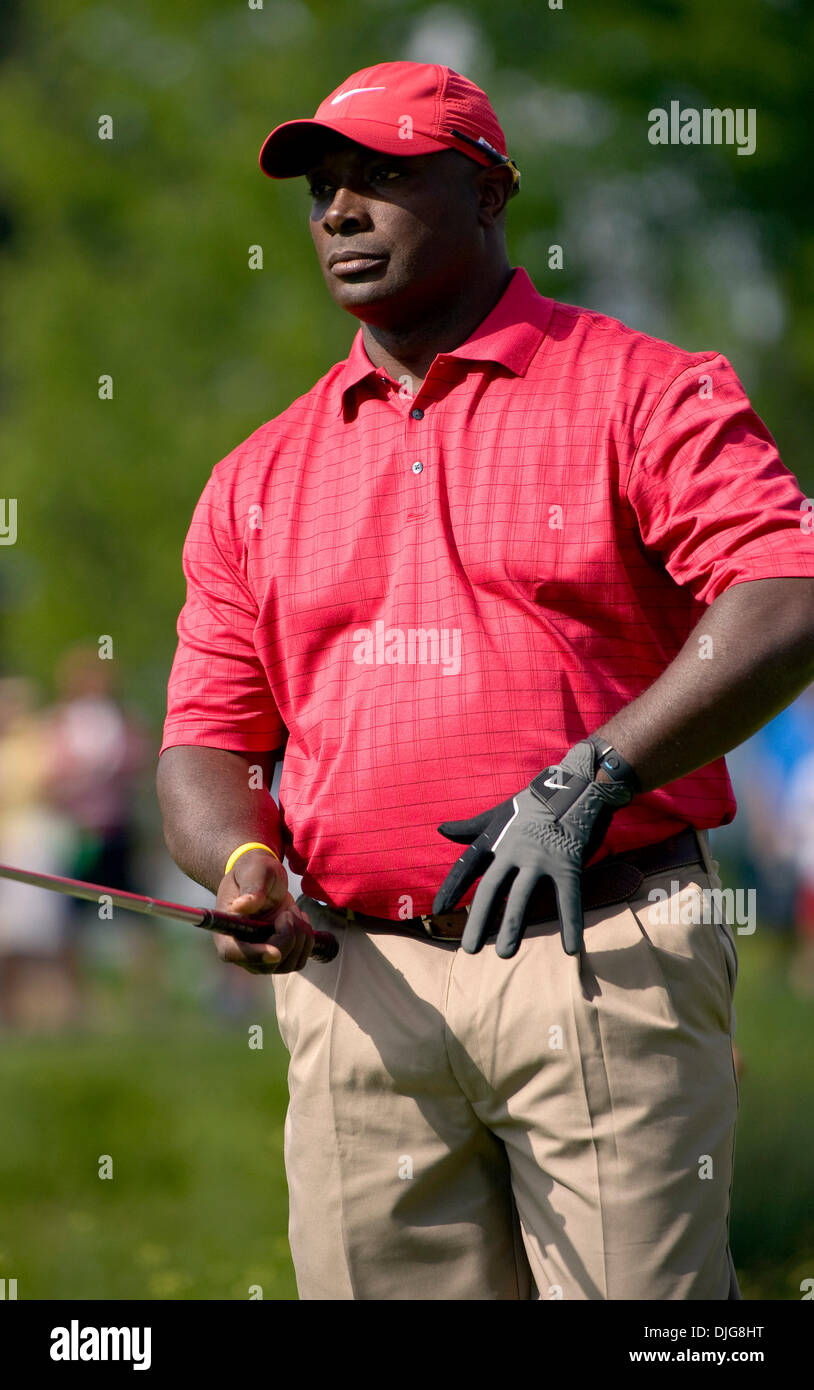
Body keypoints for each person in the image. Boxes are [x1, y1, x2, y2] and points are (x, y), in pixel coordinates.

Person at [156, 61, 814, 1300]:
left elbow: (784, 592)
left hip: (602, 949)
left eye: (384, 177)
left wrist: (593, 778)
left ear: (488, 190)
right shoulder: (256, 474)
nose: (341, 211)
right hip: (358, 985)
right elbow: (205, 740)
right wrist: (244, 868)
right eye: (323, 191)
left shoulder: (643, 388)